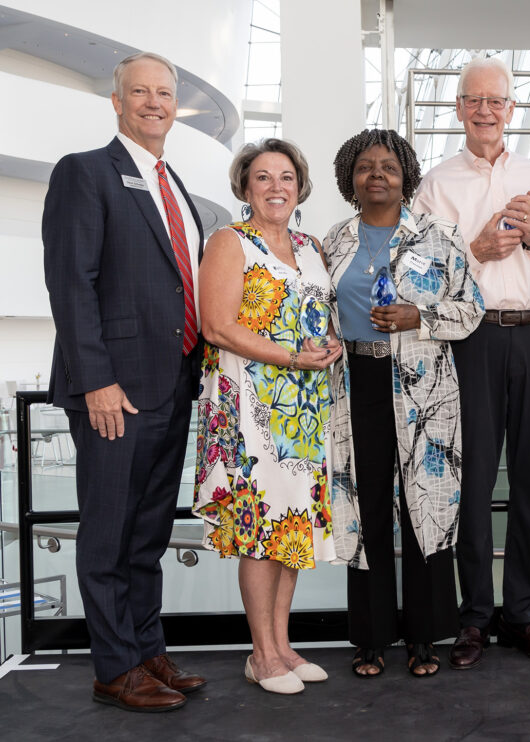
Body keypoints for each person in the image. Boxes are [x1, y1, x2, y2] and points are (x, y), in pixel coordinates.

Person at [42, 52, 207, 711]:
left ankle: (146, 650)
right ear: (117, 101)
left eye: (163, 93)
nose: (152, 102)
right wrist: (96, 381)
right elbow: (71, 284)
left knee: (147, 533)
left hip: (172, 385)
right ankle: (114, 667)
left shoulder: (176, 184)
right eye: (139, 92)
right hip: (115, 392)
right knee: (109, 533)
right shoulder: (86, 173)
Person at [412, 56, 530, 668]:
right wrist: (474, 250)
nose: (485, 111)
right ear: (458, 108)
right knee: (473, 482)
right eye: (473, 100)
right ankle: (474, 617)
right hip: (471, 340)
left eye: (496, 101)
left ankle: (523, 615)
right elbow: (424, 282)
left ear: (511, 109)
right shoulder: (437, 184)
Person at [325, 129, 484, 679]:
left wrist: (422, 317)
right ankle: (369, 638)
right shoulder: (333, 242)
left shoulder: (439, 237)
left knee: (426, 506)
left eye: (388, 167)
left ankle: (424, 636)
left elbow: (472, 309)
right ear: (350, 177)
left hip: (424, 387)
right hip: (355, 385)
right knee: (365, 506)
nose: (377, 175)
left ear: (406, 176)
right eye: (365, 166)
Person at [193, 139, 342, 694]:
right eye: (263, 177)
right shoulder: (230, 242)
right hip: (248, 407)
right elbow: (218, 326)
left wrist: (327, 345)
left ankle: (281, 644)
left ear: (300, 186)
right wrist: (292, 356)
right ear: (245, 187)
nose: (276, 186)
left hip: (303, 409)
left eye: (286, 177)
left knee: (291, 524)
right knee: (259, 528)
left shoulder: (310, 246)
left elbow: (317, 315)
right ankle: (261, 654)